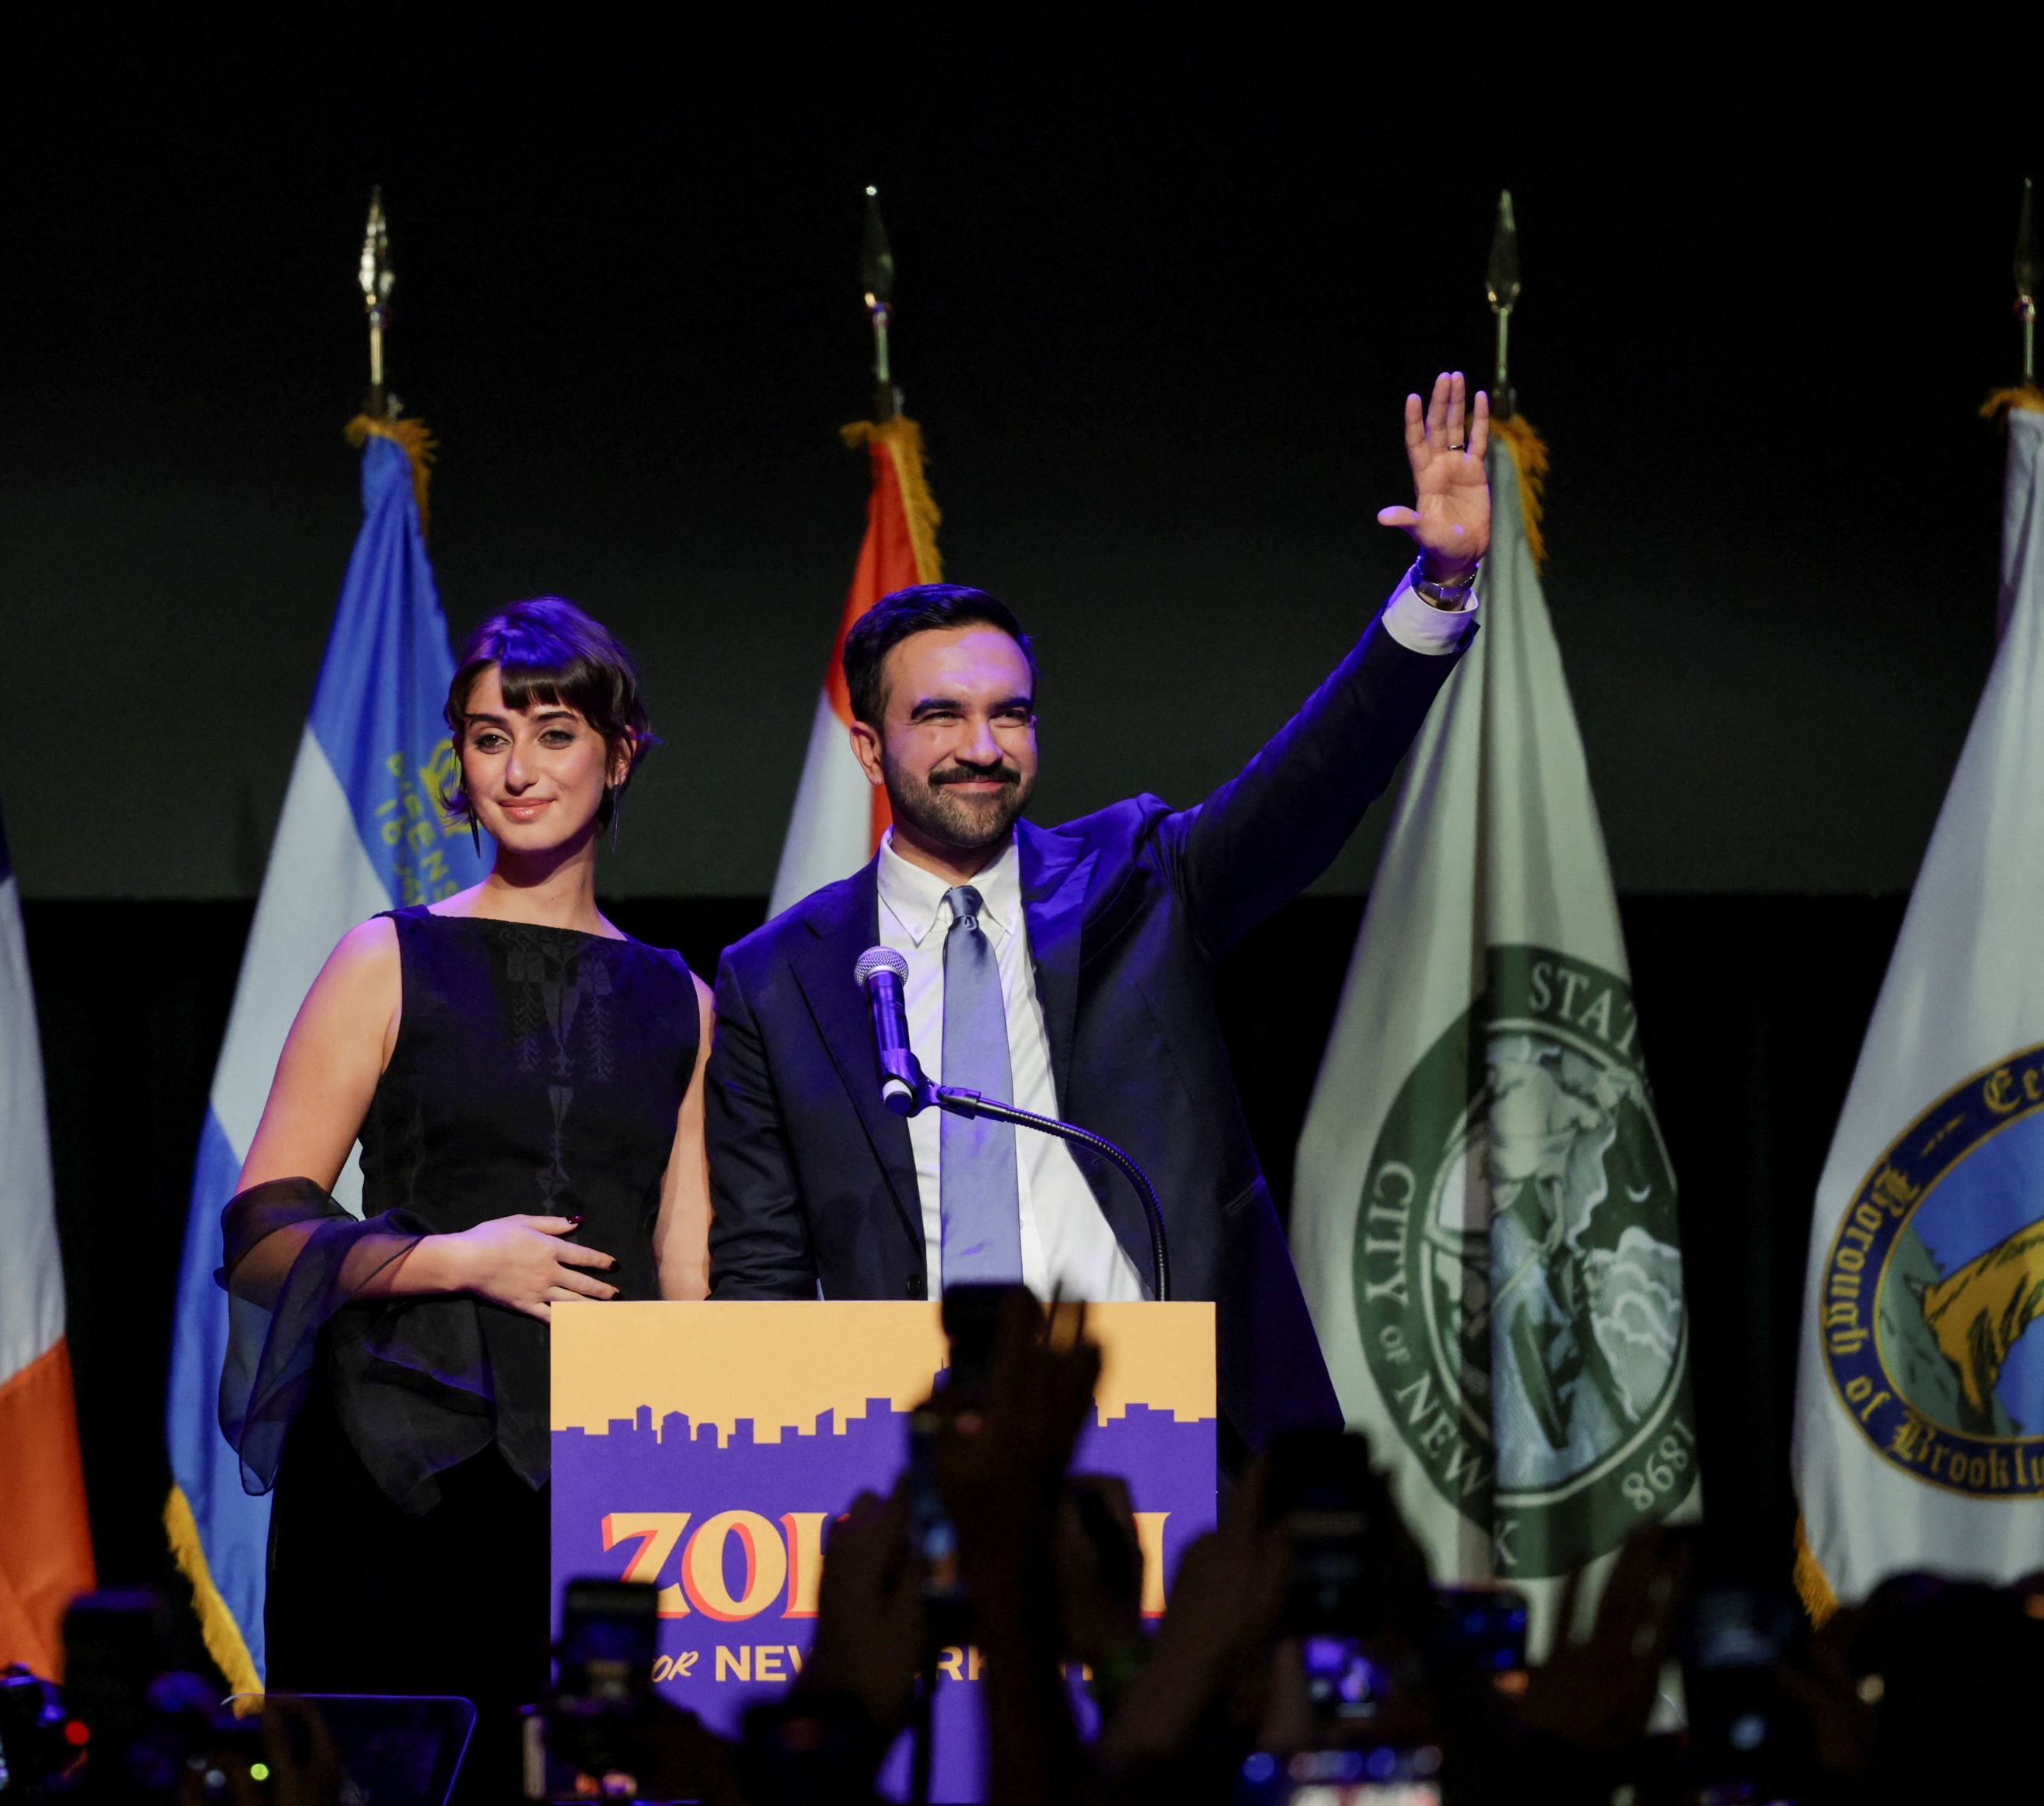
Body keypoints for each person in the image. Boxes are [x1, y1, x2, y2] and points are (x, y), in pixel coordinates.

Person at [705, 372, 1493, 1463]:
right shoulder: (776, 979)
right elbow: (762, 1269)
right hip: (911, 1450)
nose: (983, 747)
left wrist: (1438, 590)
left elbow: (1313, 784)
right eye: (940, 716)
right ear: (869, 748)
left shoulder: (1139, 877)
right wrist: (781, 1469)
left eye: (1010, 713)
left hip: (1172, 1428)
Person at [216, 596, 715, 1803]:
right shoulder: (386, 957)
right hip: (398, 1464)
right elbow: (260, 1230)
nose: (520, 768)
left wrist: (698, 1468)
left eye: (554, 734)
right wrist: (459, 1258)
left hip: (601, 1476)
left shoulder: (684, 999)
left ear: (620, 753)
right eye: (492, 738)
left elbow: (688, 1266)